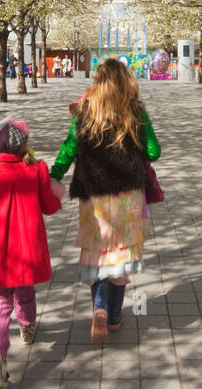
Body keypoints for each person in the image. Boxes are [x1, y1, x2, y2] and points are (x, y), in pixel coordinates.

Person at [50, 56, 161, 345]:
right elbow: (153, 151)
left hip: (94, 196)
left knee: (98, 251)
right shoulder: (135, 110)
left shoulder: (85, 111)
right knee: (122, 254)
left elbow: (69, 148)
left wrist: (54, 174)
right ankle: (113, 318)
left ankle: (98, 306)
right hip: (128, 196)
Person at [0, 117, 63, 389]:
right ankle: (28, 327)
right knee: (25, 288)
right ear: (24, 145)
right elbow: (49, 206)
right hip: (27, 245)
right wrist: (58, 195)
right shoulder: (37, 168)